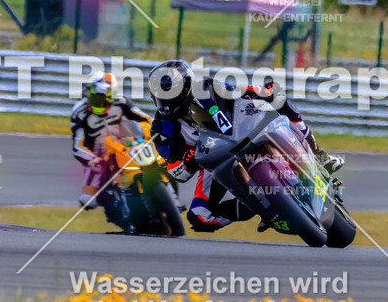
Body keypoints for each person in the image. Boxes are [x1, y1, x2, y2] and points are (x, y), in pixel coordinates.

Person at [147, 60, 344, 233]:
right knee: (200, 216)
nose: (166, 101)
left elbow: (238, 91)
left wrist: (262, 91)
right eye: (161, 96)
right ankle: (255, 207)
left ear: (186, 86)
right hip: (213, 164)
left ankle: (320, 156)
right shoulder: (160, 129)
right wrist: (186, 162)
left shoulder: (207, 87)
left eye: (171, 93)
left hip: (243, 131)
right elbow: (173, 170)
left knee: (279, 100)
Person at [70, 72, 155, 213]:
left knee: (158, 160)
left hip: (123, 145)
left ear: (111, 97)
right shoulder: (80, 112)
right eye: (93, 98)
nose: (95, 103)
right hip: (99, 158)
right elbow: (77, 146)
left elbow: (144, 118)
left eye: (101, 99)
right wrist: (91, 159)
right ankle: (117, 210)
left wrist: (156, 127)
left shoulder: (121, 102)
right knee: (88, 200)